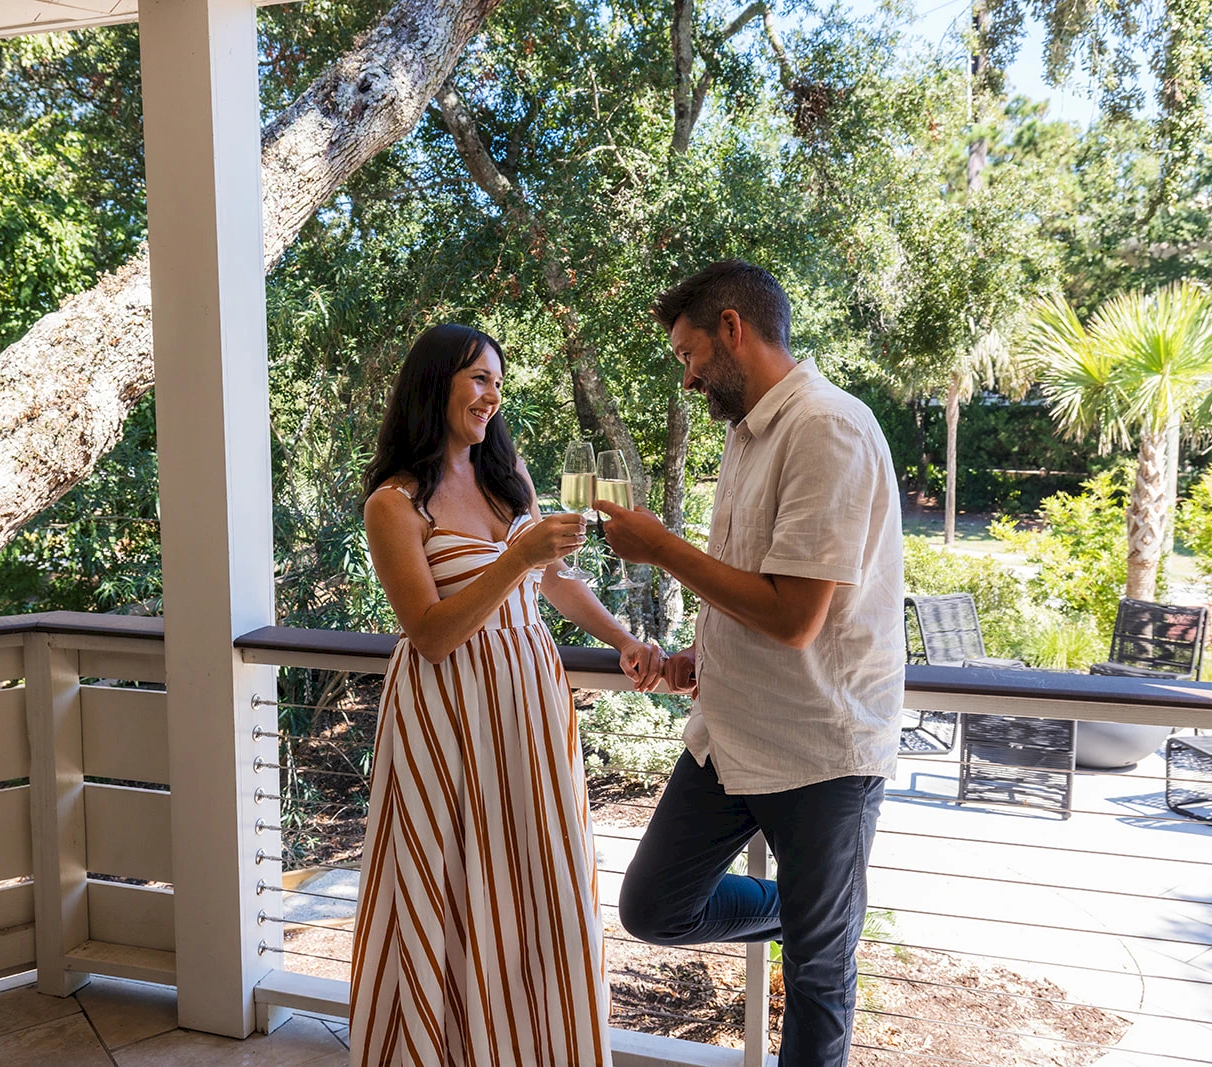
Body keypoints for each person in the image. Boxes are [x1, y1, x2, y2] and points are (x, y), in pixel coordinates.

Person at [594, 261, 904, 1066]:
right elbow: (756, 585)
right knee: (656, 905)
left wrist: (661, 546)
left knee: (817, 973)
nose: (689, 377)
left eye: (690, 354)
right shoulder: (747, 433)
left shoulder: (827, 427)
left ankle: (821, 917)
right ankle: (815, 907)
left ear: (733, 329)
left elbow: (797, 618)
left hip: (819, 748)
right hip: (732, 733)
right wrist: (709, 651)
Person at [351, 323, 665, 1067]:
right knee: (458, 887)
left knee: (540, 882)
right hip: (448, 711)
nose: (494, 396)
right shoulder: (392, 504)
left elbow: (551, 579)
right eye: (479, 379)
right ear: (436, 384)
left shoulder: (507, 475)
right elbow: (429, 632)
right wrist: (516, 555)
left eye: (498, 381)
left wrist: (622, 639)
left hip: (528, 700)